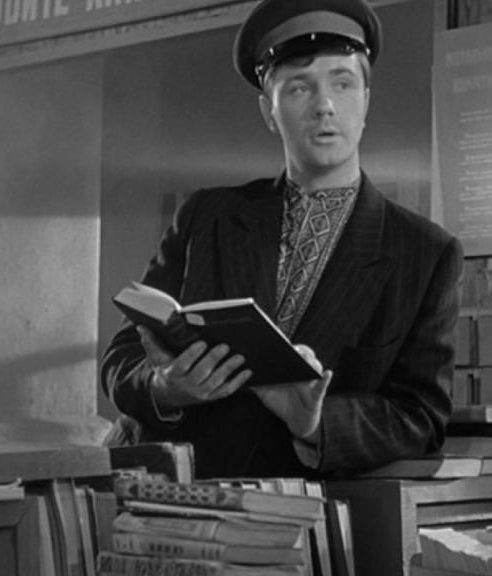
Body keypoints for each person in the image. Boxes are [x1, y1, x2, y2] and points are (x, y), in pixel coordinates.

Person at [101, 0, 463, 479]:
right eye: (299, 87)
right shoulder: (206, 216)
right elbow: (120, 358)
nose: (324, 105)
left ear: (366, 101)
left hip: (302, 510)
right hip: (169, 491)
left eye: (342, 83)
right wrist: (164, 388)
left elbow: (421, 417)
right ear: (269, 112)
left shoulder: (425, 253)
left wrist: (314, 421)